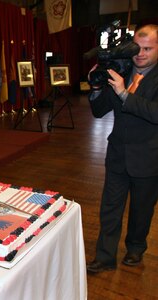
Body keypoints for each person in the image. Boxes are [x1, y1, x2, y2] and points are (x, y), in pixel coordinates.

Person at [86, 24, 158, 273]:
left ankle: (136, 248)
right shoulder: (122, 69)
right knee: (110, 209)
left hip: (149, 158)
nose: (140, 54)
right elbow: (99, 111)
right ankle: (104, 257)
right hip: (117, 154)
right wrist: (96, 88)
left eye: (148, 49)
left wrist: (125, 94)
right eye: (137, 48)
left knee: (142, 210)